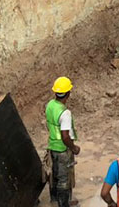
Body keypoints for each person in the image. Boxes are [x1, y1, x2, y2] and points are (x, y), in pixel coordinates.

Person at [46, 76, 79, 207]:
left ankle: (54, 199)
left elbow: (49, 125)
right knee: (64, 180)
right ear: (68, 93)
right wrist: (74, 147)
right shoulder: (65, 113)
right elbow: (65, 136)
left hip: (52, 146)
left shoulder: (50, 105)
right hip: (62, 150)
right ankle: (64, 204)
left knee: (54, 174)